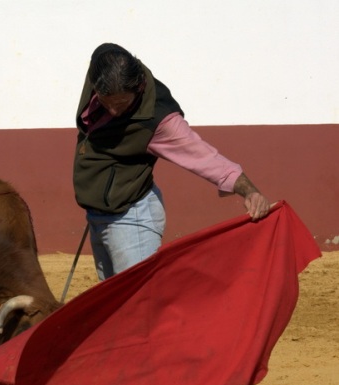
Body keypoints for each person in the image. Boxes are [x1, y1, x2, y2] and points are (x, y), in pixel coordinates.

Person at [73, 43, 271, 281]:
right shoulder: (101, 65)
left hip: (130, 219)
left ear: (139, 86)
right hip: (99, 215)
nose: (114, 112)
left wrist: (249, 190)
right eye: (107, 103)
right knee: (114, 303)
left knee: (137, 303)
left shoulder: (160, 121)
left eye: (122, 104)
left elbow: (205, 157)